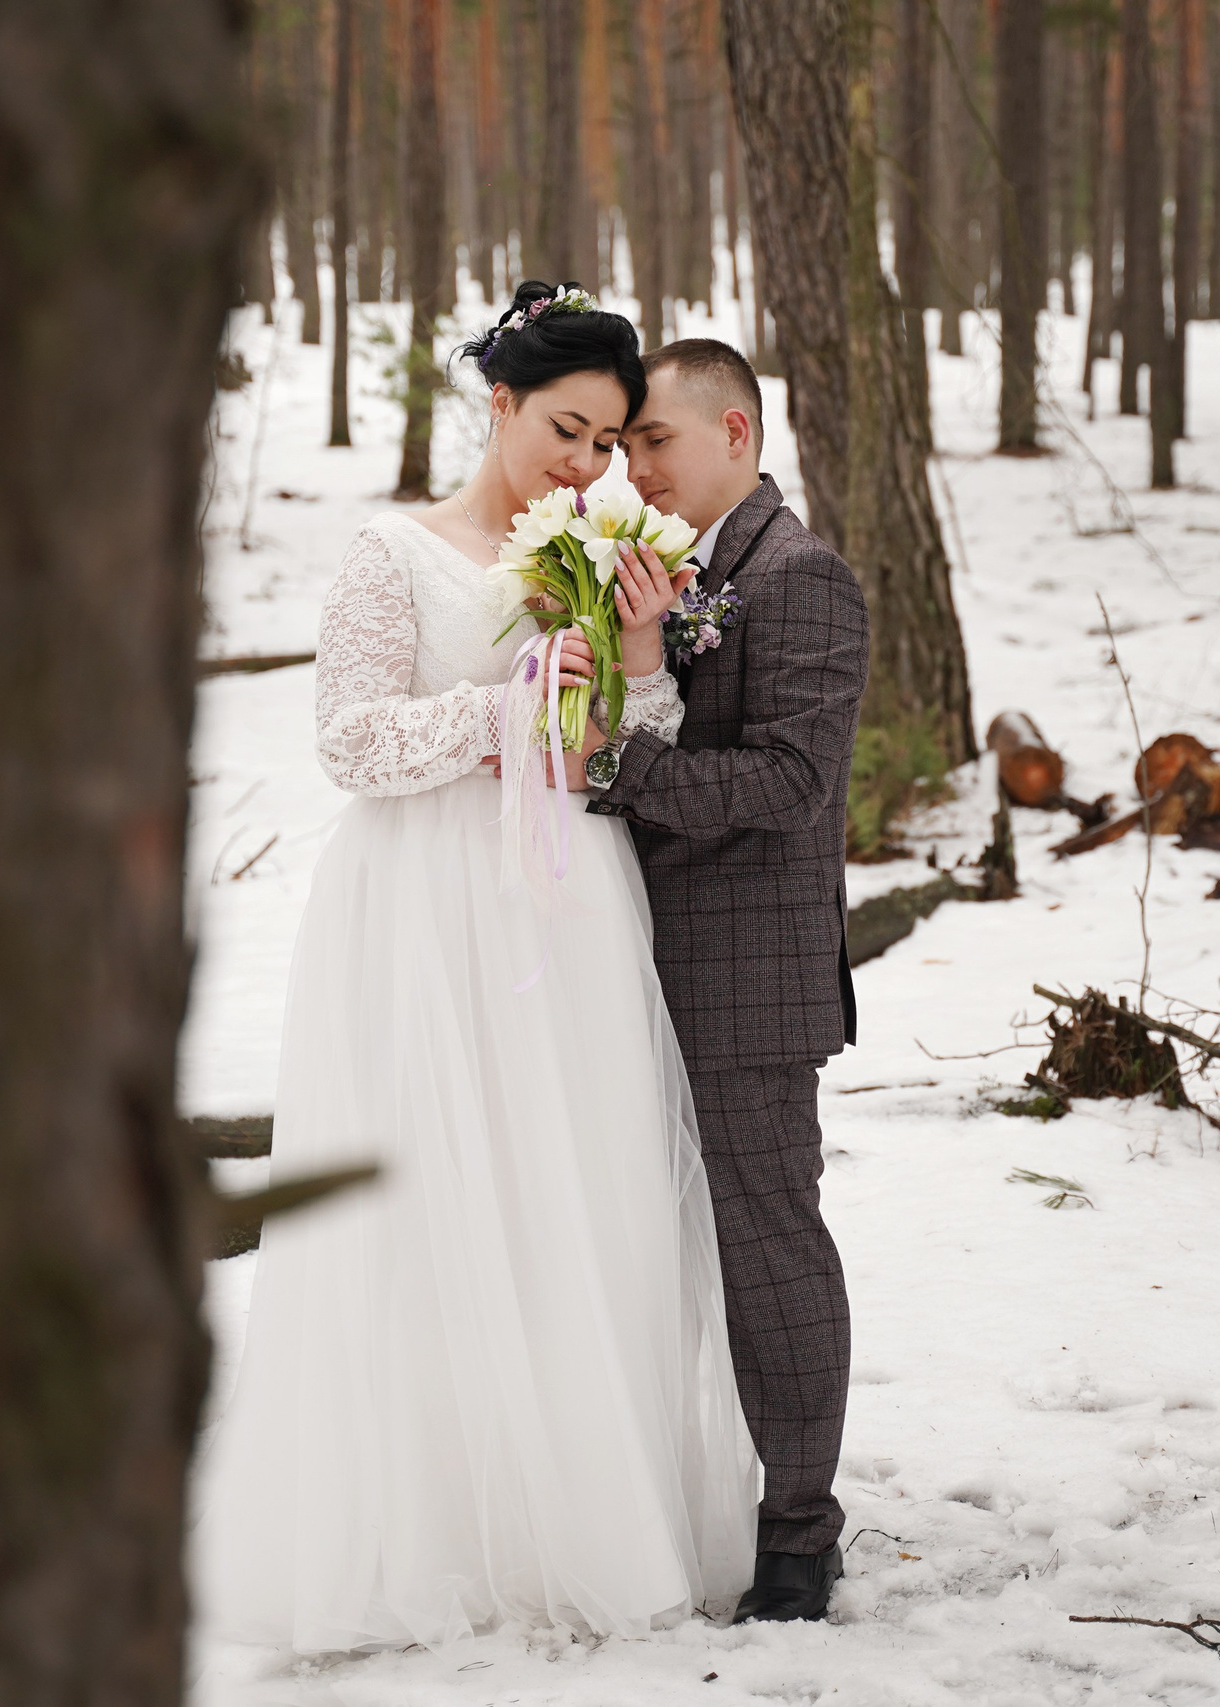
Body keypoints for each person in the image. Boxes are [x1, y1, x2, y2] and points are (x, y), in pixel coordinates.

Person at [198, 283, 759, 1653]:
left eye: (612, 441)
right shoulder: (395, 555)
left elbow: (641, 736)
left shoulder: (605, 543)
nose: (586, 465)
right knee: (429, 1192)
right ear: (500, 400)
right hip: (423, 908)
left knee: (574, 1177)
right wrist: (504, 712)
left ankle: (579, 1503)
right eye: (567, 428)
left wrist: (630, 650)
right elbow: (351, 741)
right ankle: (430, 1515)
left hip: (566, 904)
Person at [591, 339, 872, 1624]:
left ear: (738, 435)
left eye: (655, 441)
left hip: (748, 984)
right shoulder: (686, 572)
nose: (630, 465)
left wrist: (620, 771)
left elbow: (790, 784)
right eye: (624, 443)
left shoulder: (801, 577)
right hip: (637, 961)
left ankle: (801, 1528)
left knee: (768, 1253)